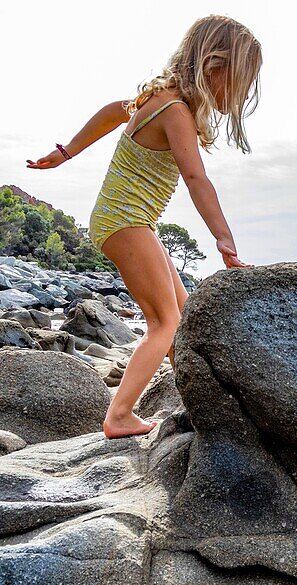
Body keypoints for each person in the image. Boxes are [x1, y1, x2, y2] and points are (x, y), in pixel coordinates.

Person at [26, 15, 262, 438]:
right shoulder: (175, 111)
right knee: (164, 321)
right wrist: (224, 241)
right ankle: (119, 416)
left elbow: (112, 112)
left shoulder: (156, 100)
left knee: (182, 316)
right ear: (214, 66)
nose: (241, 94)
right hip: (127, 222)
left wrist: (66, 152)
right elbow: (196, 179)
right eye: (240, 81)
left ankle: (198, 402)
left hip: (129, 223)